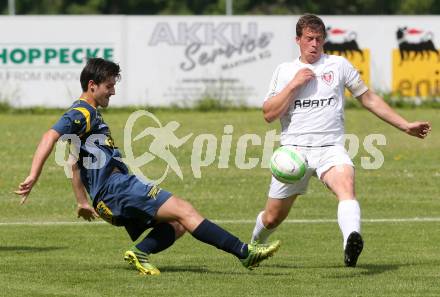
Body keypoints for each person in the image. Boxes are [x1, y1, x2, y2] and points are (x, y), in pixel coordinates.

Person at [15, 57, 280, 275]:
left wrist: (83, 201)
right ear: (92, 85)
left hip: (106, 198)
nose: (113, 91)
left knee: (178, 224)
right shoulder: (82, 112)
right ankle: (244, 253)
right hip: (116, 189)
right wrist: (34, 175)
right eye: (109, 86)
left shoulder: (89, 115)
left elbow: (74, 160)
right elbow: (49, 136)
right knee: (185, 209)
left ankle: (140, 253)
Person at [250, 14, 431, 267]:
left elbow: (368, 98)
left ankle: (351, 241)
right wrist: (293, 85)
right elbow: (269, 114)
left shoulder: (338, 65)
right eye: (309, 39)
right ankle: (254, 245)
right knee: (271, 218)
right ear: (298, 40)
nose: (314, 44)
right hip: (293, 153)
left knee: (346, 185)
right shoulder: (285, 71)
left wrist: (404, 125)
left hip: (330, 149)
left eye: (319, 39)